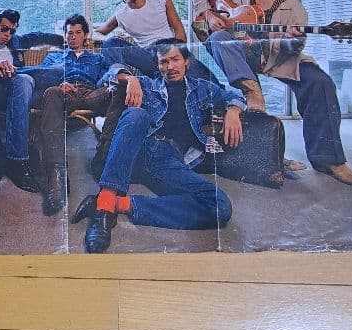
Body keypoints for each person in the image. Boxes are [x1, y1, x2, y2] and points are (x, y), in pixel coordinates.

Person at [192, 0, 352, 188]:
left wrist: (292, 40)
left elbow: (293, 49)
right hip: (239, 54)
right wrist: (210, 15)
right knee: (219, 37)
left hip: (277, 58)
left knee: (320, 82)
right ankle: (251, 91)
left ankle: (329, 160)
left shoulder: (293, 8)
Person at [72, 44, 244, 253]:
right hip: (137, 148)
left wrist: (233, 111)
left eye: (175, 60)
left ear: (186, 62)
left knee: (220, 205)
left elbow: (234, 95)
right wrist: (131, 79)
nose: (170, 66)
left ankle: (119, 204)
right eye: (164, 62)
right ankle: (104, 208)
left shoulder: (202, 88)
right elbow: (108, 76)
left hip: (168, 159)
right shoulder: (148, 84)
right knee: (137, 114)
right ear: (158, 66)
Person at [27, 14, 127, 215]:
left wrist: (108, 85)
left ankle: (103, 158)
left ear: (85, 35)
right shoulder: (54, 57)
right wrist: (58, 82)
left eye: (77, 32)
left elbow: (108, 76)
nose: (73, 37)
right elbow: (43, 77)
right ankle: (56, 176)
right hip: (65, 92)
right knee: (52, 92)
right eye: (69, 33)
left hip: (92, 92)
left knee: (118, 90)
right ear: (65, 36)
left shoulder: (97, 58)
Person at [0, 9, 63, 192]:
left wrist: (65, 40)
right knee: (28, 78)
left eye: (12, 31)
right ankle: (17, 161)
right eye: (4, 29)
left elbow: (39, 36)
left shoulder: (15, 42)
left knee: (42, 77)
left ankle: (23, 159)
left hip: (16, 92)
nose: (7, 34)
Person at [94, 0, 217, 84]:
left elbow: (179, 30)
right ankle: (119, 80)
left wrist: (178, 53)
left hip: (169, 46)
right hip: (147, 55)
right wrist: (106, 38)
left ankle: (224, 97)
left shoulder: (161, 0)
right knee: (111, 43)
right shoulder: (120, 15)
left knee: (204, 77)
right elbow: (96, 33)